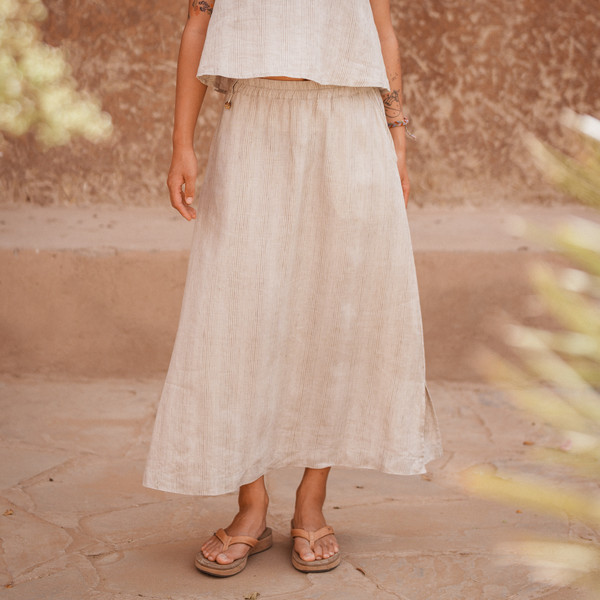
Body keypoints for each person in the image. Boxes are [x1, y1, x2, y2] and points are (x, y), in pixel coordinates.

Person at [143, 0, 444, 577]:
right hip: (254, 120)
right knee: (237, 309)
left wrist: (398, 136)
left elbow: (381, 27)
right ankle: (251, 504)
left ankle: (312, 498)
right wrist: (182, 142)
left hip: (351, 122)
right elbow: (198, 21)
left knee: (336, 309)